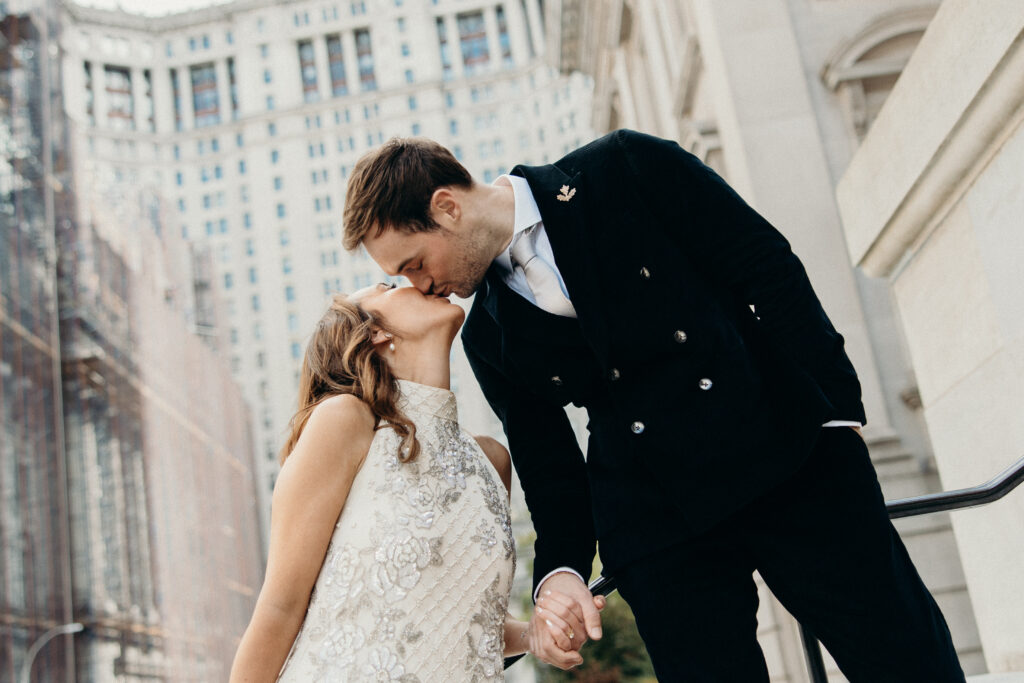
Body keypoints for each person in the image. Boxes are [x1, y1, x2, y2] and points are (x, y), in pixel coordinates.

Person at [341, 130, 967, 681]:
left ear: (446, 207)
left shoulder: (627, 168)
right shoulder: (486, 334)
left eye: (415, 263)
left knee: (903, 659)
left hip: (789, 457)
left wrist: (836, 413)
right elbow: (549, 464)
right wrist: (559, 569)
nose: (421, 286)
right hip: (658, 525)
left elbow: (767, 269)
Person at [229, 284, 596, 681]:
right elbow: (280, 607)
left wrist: (533, 635)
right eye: (388, 286)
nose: (414, 282)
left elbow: (474, 621)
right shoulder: (344, 422)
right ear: (375, 333)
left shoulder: (491, 459)